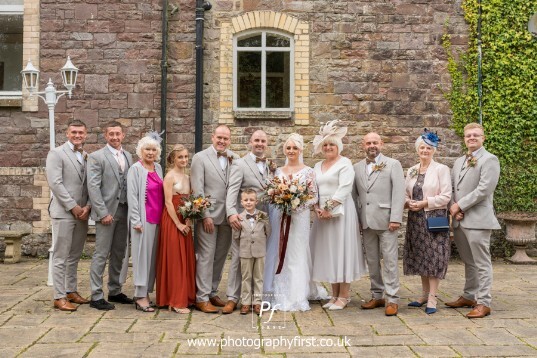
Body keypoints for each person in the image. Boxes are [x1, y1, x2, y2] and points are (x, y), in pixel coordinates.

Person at [310, 121, 368, 310]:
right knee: (329, 252)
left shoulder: (345, 163)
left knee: (342, 250)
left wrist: (329, 207)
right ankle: (333, 294)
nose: (328, 147)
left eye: (332, 144)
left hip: (341, 213)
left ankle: (344, 296)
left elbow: (344, 189)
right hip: (322, 216)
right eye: (325, 144)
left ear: (338, 146)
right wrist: (317, 207)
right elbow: (313, 189)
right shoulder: (317, 165)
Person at [447, 123, 500, 319]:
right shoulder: (460, 161)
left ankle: (484, 302)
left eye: (476, 135)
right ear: (464, 138)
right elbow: (452, 188)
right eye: (468, 135)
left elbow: (485, 189)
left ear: (483, 138)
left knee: (481, 262)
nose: (471, 138)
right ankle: (469, 295)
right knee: (468, 261)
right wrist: (454, 207)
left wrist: (459, 205)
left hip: (478, 219)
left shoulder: (490, 160)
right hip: (460, 220)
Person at [268, 133, 327, 311]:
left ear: (300, 150)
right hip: (281, 217)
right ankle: (281, 291)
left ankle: (298, 295)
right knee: (281, 253)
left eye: (295, 148)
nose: (291, 151)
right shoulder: (278, 171)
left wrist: (296, 206)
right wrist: (281, 201)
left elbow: (313, 196)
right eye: (288, 147)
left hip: (299, 218)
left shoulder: (308, 171)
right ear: (284, 150)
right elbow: (273, 193)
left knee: (297, 253)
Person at [353, 132, 405, 316]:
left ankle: (392, 299)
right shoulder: (357, 167)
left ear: (381, 144)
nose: (372, 145)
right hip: (366, 222)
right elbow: (354, 196)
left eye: (375, 142)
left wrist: (396, 218)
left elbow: (399, 193)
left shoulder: (393, 164)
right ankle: (377, 295)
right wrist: (356, 220)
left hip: (386, 221)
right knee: (372, 261)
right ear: (363, 145)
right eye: (368, 143)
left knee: (390, 261)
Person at [190, 125, 239, 313]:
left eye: (226, 138)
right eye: (219, 137)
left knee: (220, 256)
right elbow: (197, 189)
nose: (222, 141)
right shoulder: (200, 158)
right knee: (206, 256)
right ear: (212, 137)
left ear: (230, 140)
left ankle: (211, 291)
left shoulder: (235, 158)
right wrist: (205, 216)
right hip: (208, 217)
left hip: (228, 216)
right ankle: (201, 298)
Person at [226, 130, 275, 314]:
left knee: (259, 261)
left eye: (263, 141)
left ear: (266, 143)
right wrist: (231, 213)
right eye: (256, 140)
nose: (260, 144)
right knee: (238, 258)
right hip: (243, 220)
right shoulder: (240, 164)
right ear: (250, 142)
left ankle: (256, 299)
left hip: (263, 219)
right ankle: (232, 297)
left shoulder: (270, 165)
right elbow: (233, 190)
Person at [403, 130, 452, 315]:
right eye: (422, 147)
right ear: (417, 149)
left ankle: (433, 297)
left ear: (434, 150)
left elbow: (446, 196)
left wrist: (425, 203)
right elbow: (405, 193)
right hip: (415, 219)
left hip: (434, 218)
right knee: (421, 257)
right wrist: (408, 203)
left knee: (434, 257)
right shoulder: (412, 170)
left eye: (428, 148)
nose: (425, 150)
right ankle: (423, 294)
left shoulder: (441, 169)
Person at [87, 121, 134, 311]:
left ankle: (115, 290)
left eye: (118, 134)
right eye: (111, 134)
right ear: (105, 136)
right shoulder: (97, 157)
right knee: (101, 253)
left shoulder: (129, 156)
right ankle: (96, 295)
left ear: (123, 135)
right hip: (106, 212)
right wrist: (102, 212)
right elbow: (93, 187)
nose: (115, 137)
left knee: (119, 253)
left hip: (125, 210)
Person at [45, 119, 91, 311]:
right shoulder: (56, 153)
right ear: (67, 133)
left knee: (74, 255)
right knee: (60, 255)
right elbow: (55, 183)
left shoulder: (86, 155)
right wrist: (73, 207)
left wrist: (88, 206)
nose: (77, 135)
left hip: (83, 214)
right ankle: (59, 296)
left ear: (85, 134)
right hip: (64, 212)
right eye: (74, 132)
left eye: (81, 132)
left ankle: (71, 290)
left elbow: (90, 184)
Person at [156, 145, 196, 314]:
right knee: (174, 258)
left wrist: (188, 220)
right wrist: (178, 224)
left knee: (185, 257)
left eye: (186, 157)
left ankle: (185, 296)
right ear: (173, 158)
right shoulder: (169, 176)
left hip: (184, 219)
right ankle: (174, 301)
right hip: (172, 220)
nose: (184, 160)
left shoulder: (188, 177)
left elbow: (190, 200)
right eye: (180, 157)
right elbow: (168, 202)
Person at [127, 132, 164, 312]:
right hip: (143, 220)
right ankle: (140, 295)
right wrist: (136, 220)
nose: (150, 152)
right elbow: (133, 197)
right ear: (141, 151)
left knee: (152, 258)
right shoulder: (136, 169)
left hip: (158, 219)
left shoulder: (158, 168)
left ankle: (147, 291)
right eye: (147, 149)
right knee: (142, 258)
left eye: (153, 149)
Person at [232, 188, 271, 315]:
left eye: (251, 200)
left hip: (260, 251)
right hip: (245, 252)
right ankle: (246, 303)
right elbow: (236, 236)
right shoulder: (239, 217)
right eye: (246, 200)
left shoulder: (263, 215)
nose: (249, 202)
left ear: (256, 201)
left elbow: (268, 232)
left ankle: (258, 302)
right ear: (241, 202)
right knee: (246, 277)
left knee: (259, 277)